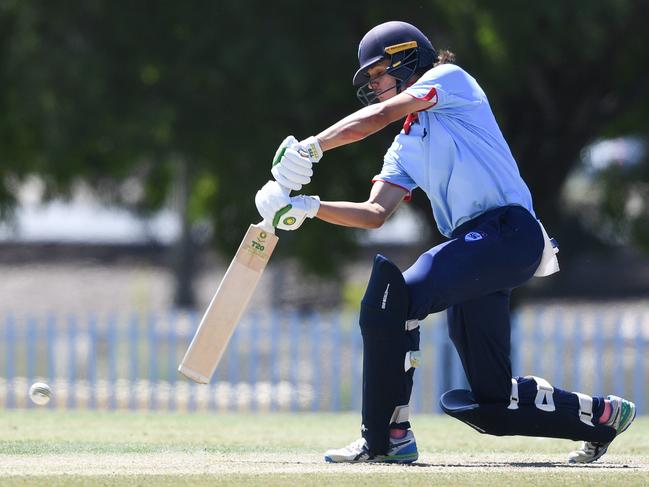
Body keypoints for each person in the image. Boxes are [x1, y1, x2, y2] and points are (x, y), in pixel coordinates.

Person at [254, 21, 635, 464]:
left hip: (509, 232)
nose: (374, 85)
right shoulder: (406, 144)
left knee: (393, 299)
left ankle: (386, 437)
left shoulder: (449, 81)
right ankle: (601, 416)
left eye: (378, 73)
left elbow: (378, 117)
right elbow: (375, 213)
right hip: (480, 251)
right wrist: (308, 206)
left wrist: (312, 147)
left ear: (406, 58)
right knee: (491, 404)